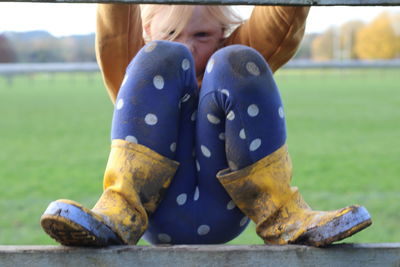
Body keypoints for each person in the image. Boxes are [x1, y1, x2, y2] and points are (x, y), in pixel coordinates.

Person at [41, 4, 372, 247]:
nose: (187, 45)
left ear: (222, 34)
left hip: (230, 205)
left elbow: (277, 21)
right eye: (170, 34)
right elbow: (116, 29)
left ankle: (284, 213)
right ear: (145, 32)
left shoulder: (226, 62)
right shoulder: (142, 68)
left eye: (202, 35)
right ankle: (117, 211)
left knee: (240, 61)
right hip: (151, 209)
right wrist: (161, 47)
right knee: (160, 58)